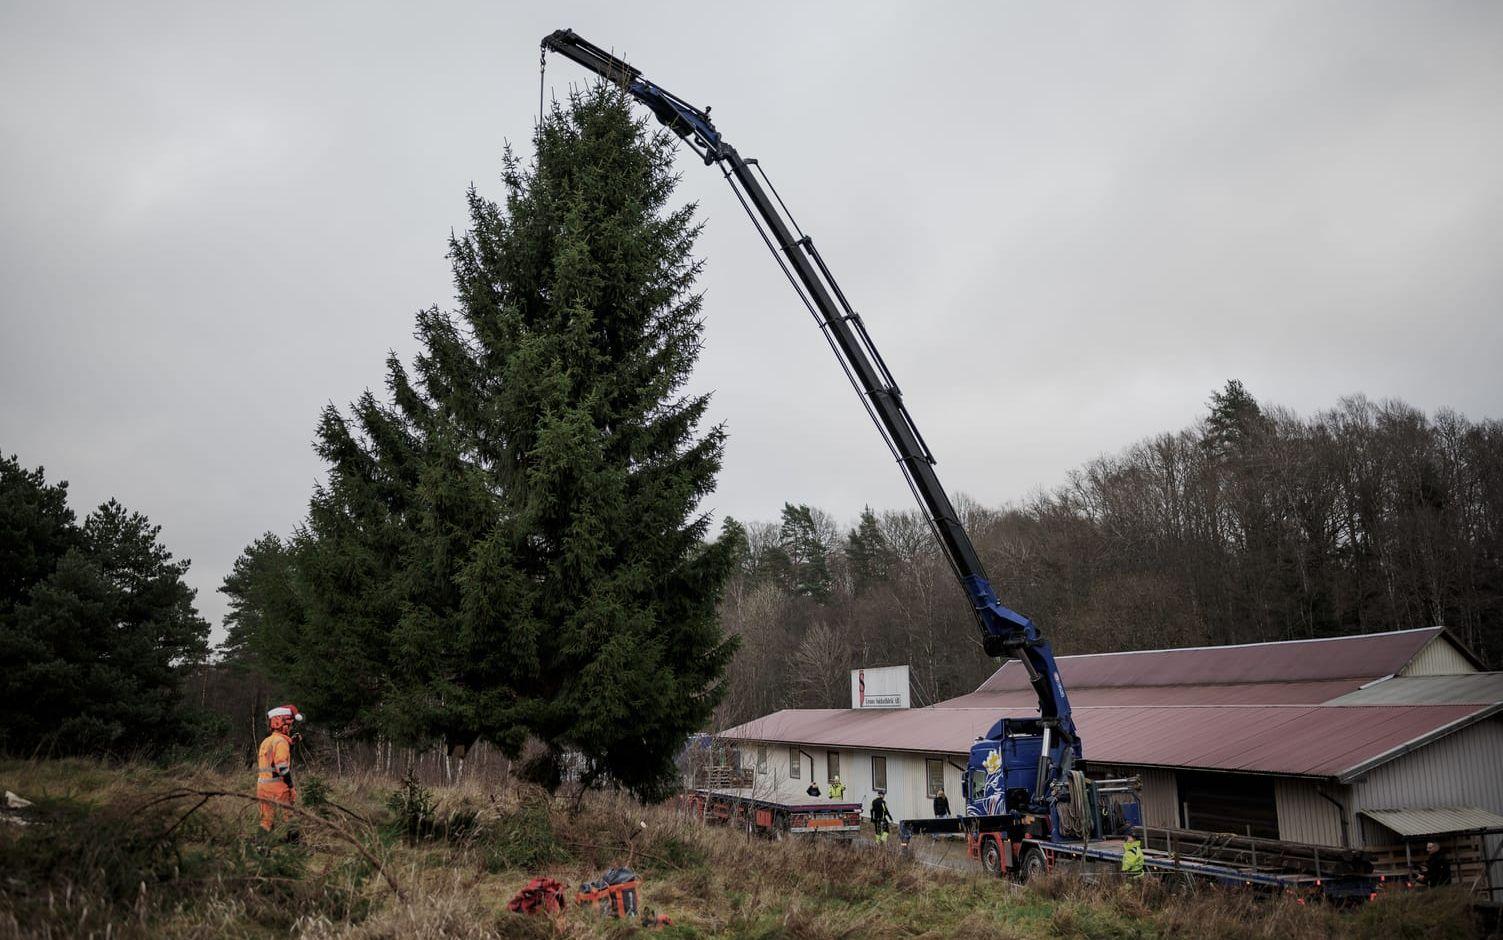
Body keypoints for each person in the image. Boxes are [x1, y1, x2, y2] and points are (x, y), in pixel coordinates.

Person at [256, 704, 304, 833]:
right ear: (281, 723)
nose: (290, 727)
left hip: (263, 787)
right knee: (289, 817)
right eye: (289, 724)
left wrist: (291, 744)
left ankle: (261, 848)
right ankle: (295, 848)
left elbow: (271, 761)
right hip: (278, 788)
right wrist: (290, 786)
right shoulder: (281, 742)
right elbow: (281, 767)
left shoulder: (266, 741)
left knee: (266, 821)